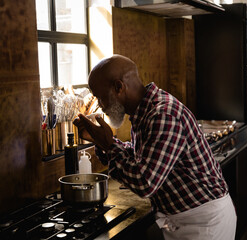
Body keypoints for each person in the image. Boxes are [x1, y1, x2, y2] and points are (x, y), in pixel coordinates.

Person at [73, 54, 237, 240]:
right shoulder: (145, 111)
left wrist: (109, 145)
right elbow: (141, 158)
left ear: (119, 87)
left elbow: (146, 182)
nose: (100, 105)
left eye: (100, 97)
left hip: (204, 225)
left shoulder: (163, 114)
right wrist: (101, 142)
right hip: (187, 219)